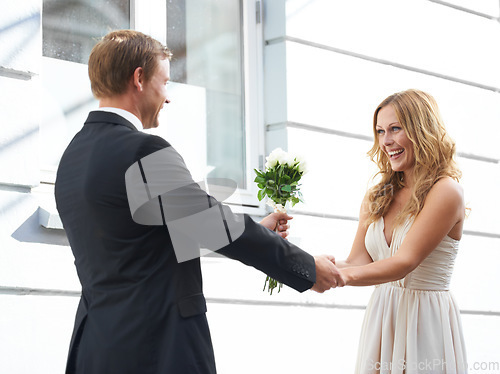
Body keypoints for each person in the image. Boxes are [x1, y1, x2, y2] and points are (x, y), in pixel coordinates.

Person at [55, 29, 342, 374]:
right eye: (165, 83)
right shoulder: (142, 150)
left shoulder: (72, 156)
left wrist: (259, 230)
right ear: (139, 79)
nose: (168, 97)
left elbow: (139, 245)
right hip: (156, 348)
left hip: (96, 348)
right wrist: (308, 268)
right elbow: (215, 226)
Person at [334, 89, 467, 373]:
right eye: (380, 131)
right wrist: (302, 264)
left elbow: (404, 263)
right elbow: (357, 261)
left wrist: (338, 276)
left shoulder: (446, 192)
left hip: (425, 322)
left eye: (395, 128)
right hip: (383, 317)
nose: (386, 141)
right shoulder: (377, 195)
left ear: (422, 130)